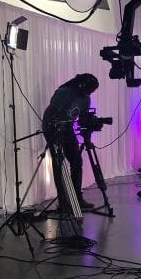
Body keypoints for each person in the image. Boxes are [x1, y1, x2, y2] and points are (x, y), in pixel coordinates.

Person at [42, 74, 99, 210]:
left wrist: (92, 122)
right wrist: (56, 135)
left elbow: (82, 119)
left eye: (92, 91)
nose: (90, 93)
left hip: (67, 127)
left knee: (77, 162)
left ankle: (77, 199)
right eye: (89, 90)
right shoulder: (64, 93)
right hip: (52, 127)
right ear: (81, 85)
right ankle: (63, 202)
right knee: (59, 164)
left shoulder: (86, 99)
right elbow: (52, 114)